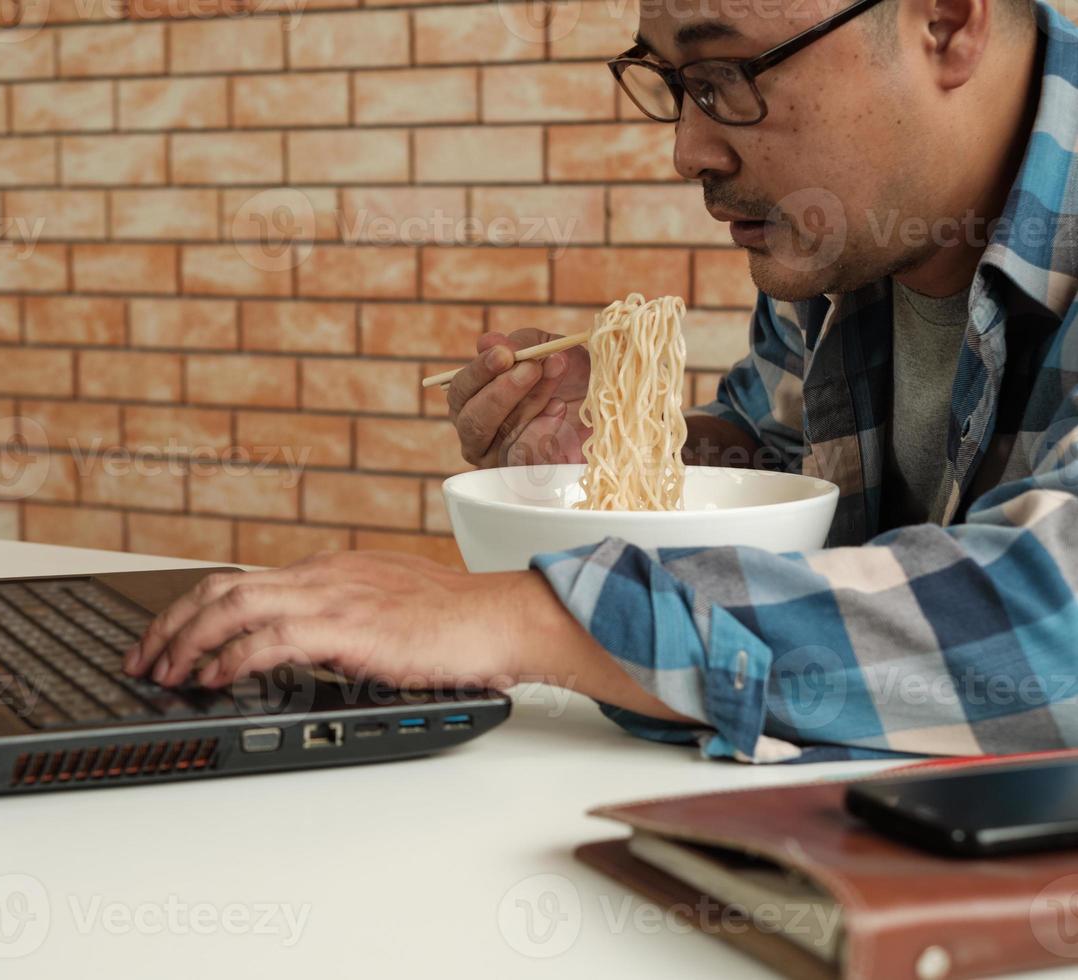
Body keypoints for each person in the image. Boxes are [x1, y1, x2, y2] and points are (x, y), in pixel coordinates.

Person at [125, 0, 1078, 763]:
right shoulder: (847, 243)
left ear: (947, 25)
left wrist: (524, 618)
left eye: (728, 76)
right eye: (674, 84)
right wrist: (617, 454)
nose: (690, 152)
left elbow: (1057, 621)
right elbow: (787, 467)